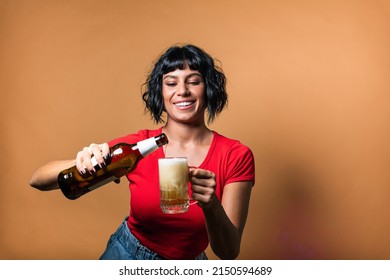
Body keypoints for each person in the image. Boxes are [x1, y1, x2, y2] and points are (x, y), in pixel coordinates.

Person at [29, 44, 255, 260]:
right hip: (126, 256)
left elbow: (228, 252)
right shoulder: (137, 147)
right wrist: (83, 159)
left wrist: (211, 205)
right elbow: (38, 179)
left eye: (194, 81)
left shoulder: (235, 155)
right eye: (171, 83)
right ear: (160, 92)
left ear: (209, 89)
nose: (182, 91)